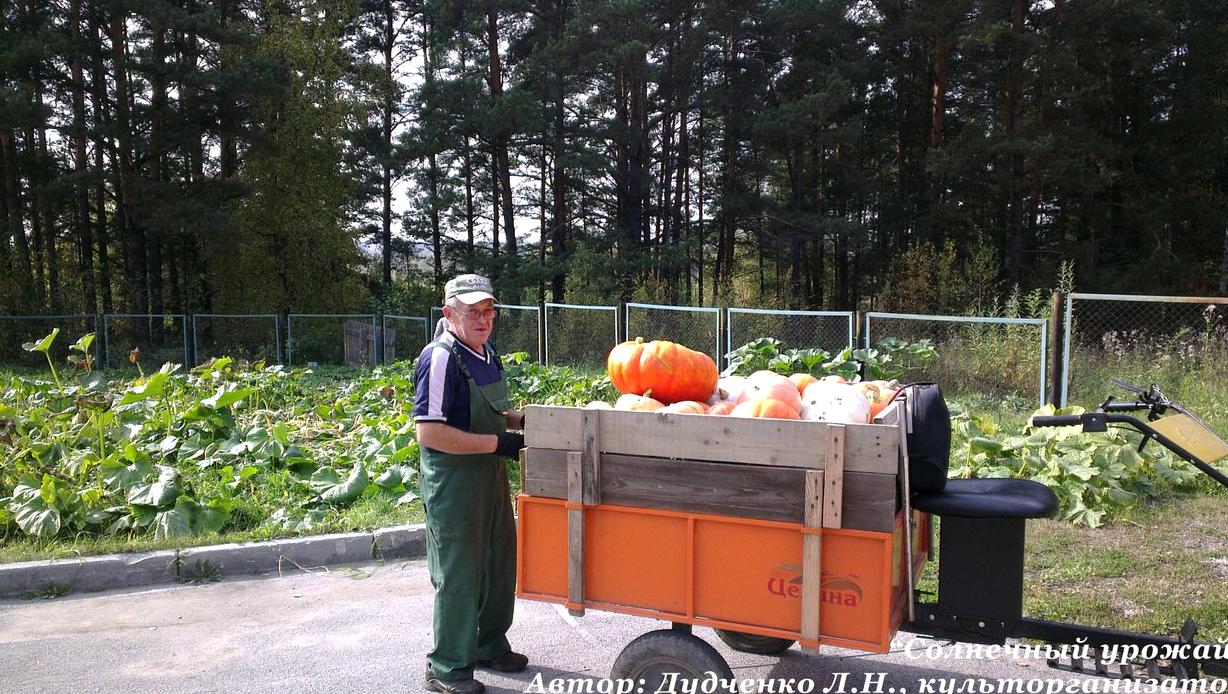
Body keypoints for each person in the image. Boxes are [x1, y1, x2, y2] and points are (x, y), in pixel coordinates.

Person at [413, 274, 527, 694]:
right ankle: (447, 668)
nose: (483, 320)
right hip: (454, 484)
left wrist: (522, 422)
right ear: (449, 313)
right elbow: (431, 434)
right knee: (459, 574)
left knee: (499, 564)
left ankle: (489, 645)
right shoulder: (440, 358)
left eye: (488, 312)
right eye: (472, 312)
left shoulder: (485, 351)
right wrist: (498, 442)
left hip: (489, 476)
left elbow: (495, 411)